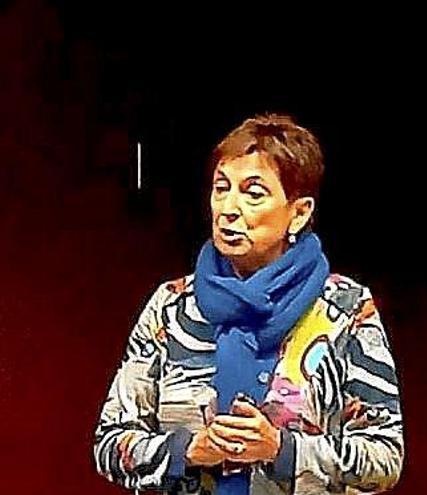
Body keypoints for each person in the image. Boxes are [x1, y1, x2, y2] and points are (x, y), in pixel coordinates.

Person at [94, 114, 404, 495]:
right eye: (221, 188)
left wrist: (282, 450)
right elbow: (109, 443)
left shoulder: (345, 310)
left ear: (299, 212)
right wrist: (187, 451)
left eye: (253, 193)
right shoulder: (171, 307)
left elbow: (385, 458)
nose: (228, 208)